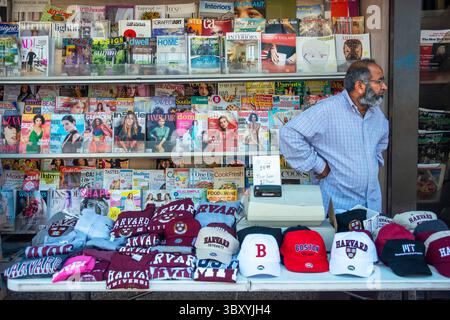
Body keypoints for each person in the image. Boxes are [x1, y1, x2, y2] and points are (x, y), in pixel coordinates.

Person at [280, 59, 389, 214]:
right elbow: (290, 134)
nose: (384, 87)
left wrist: (371, 166)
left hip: (370, 207)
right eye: (379, 81)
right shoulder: (328, 110)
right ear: (360, 86)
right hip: (338, 209)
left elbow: (381, 141)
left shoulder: (376, 113)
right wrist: (319, 165)